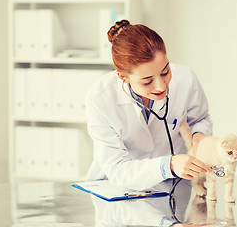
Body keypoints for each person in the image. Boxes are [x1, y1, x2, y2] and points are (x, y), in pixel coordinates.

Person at [85, 20, 213, 190]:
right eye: (147, 81)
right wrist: (168, 165)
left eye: (165, 72)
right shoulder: (100, 98)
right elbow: (118, 170)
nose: (161, 86)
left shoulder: (186, 79)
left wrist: (199, 136)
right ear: (123, 77)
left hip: (172, 187)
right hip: (117, 191)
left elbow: (200, 119)